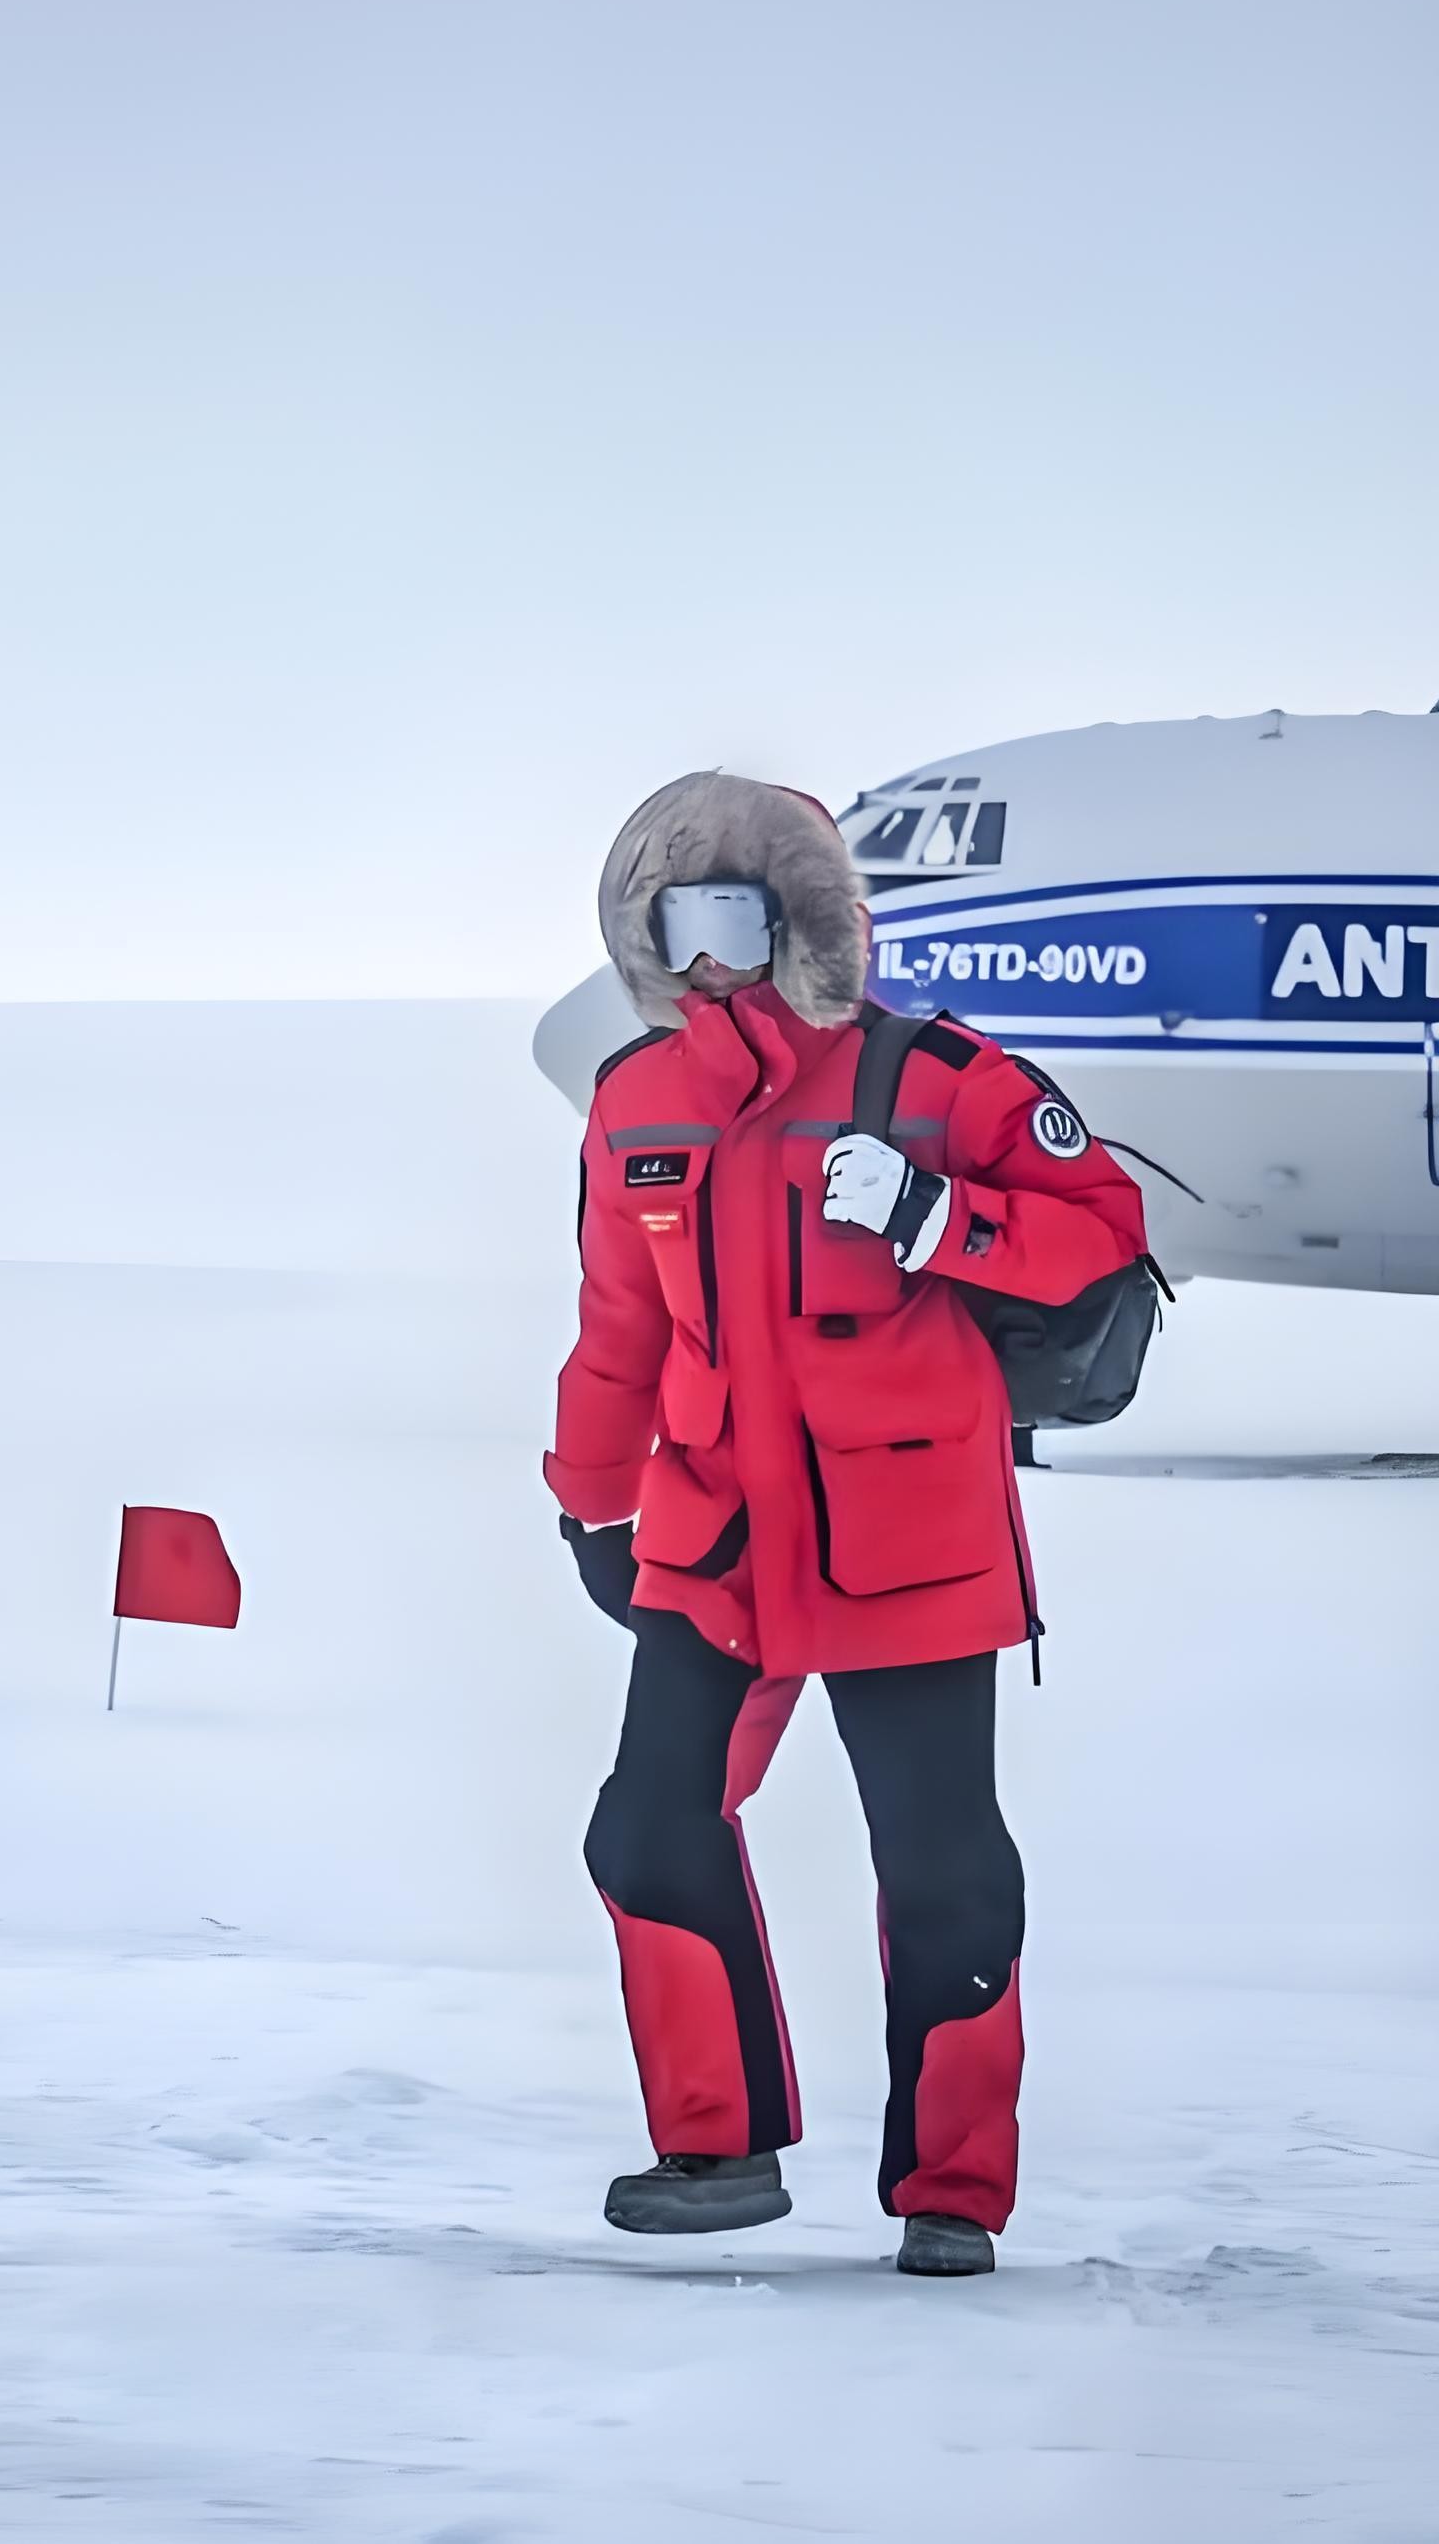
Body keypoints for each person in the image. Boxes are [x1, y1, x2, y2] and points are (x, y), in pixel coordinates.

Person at [545, 771, 1147, 2277]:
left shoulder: (939, 1080)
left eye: (734, 913)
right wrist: (591, 1501)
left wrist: (941, 1218)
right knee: (647, 1828)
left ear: (800, 918)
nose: (706, 952)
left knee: (942, 1866)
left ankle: (954, 2191)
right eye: (673, 919)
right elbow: (619, 1332)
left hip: (910, 1552)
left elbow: (1103, 1234)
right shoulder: (634, 1103)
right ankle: (718, 2148)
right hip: (717, 1547)